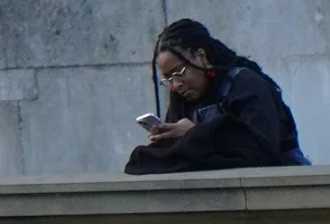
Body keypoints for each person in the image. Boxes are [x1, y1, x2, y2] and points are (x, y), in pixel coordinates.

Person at [122, 20, 305, 173]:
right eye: (168, 79)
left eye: (179, 73)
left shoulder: (245, 84)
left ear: (201, 56)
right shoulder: (182, 96)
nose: (176, 85)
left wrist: (194, 133)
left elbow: (262, 150)